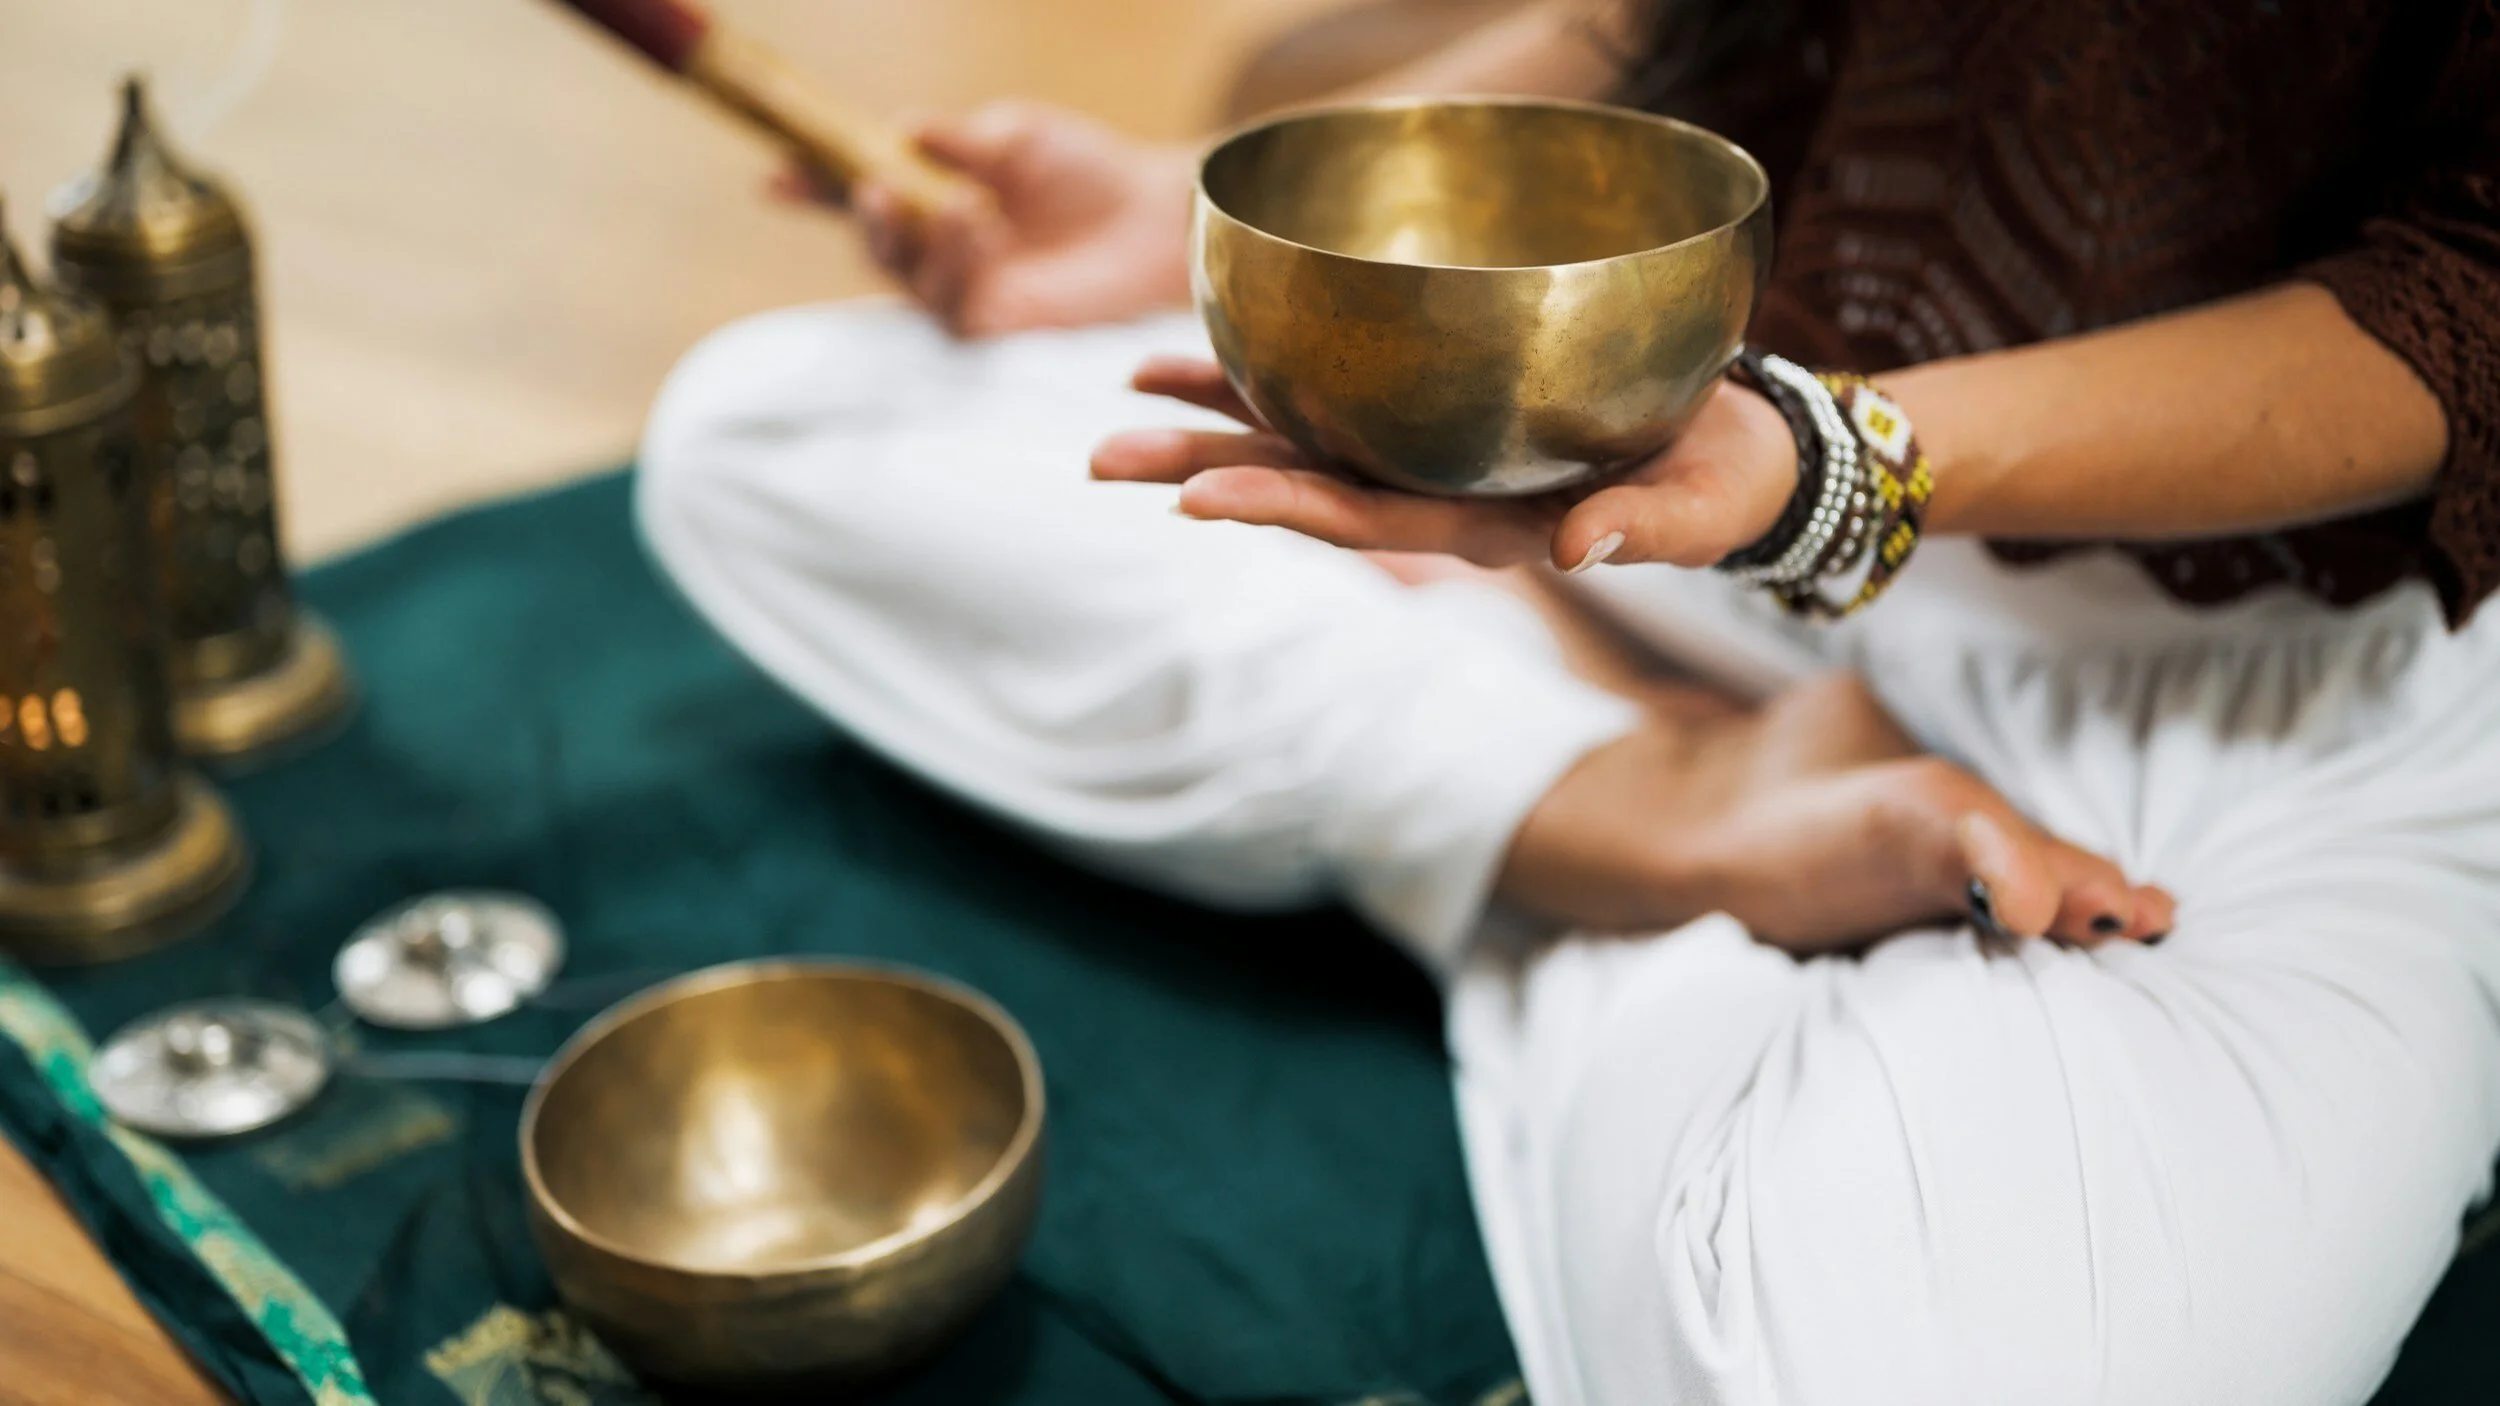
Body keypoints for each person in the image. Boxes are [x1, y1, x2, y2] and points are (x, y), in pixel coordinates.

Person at [639, 2, 2500, 1401]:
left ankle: (1538, 808)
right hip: (1704, 473)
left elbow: (2471, 293)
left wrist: (1831, 462)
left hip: (2285, 671)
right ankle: (1645, 808)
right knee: (765, 435)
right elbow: (1662, 13)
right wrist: (1220, 244)